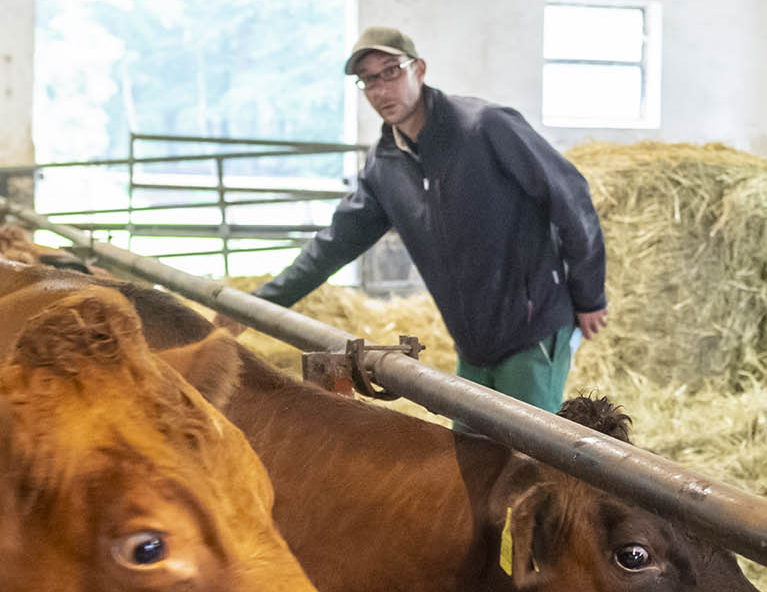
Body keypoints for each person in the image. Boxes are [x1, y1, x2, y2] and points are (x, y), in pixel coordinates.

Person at [254, 26, 609, 413]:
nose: (380, 90)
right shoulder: (384, 165)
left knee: (525, 459)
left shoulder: (485, 127)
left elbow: (570, 196)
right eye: (368, 80)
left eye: (391, 71)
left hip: (532, 327)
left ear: (418, 69)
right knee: (470, 456)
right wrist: (258, 306)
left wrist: (589, 295)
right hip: (472, 341)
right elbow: (335, 243)